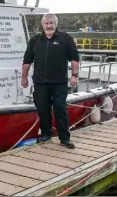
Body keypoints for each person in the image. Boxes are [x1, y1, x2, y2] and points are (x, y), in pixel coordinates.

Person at [21, 13, 79, 149]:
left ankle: (64, 138)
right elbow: (27, 60)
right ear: (43, 25)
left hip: (59, 82)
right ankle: (45, 134)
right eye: (46, 23)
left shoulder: (65, 38)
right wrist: (24, 77)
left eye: (51, 23)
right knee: (42, 109)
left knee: (60, 108)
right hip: (40, 82)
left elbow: (74, 58)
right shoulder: (35, 40)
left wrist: (74, 75)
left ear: (56, 24)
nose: (49, 25)